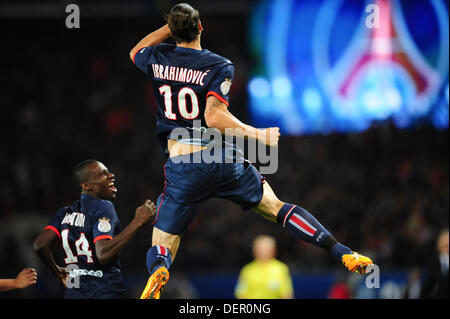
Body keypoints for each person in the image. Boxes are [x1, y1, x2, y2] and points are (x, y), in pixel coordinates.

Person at [130, 3, 373, 299]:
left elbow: (135, 51)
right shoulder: (219, 65)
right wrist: (259, 135)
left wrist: (170, 28)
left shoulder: (158, 57)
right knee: (276, 208)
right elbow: (214, 118)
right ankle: (342, 252)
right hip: (222, 157)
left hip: (183, 162)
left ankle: (159, 270)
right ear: (200, 28)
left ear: (173, 31)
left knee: (164, 239)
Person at [33, 159, 156, 299]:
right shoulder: (102, 207)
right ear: (86, 185)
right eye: (102, 174)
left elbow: (40, 245)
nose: (111, 175)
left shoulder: (63, 214)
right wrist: (137, 221)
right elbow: (103, 254)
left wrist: (57, 273)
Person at [420, 229, 449, 298]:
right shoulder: (433, 264)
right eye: (444, 241)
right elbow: (427, 288)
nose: (447, 244)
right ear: (439, 244)